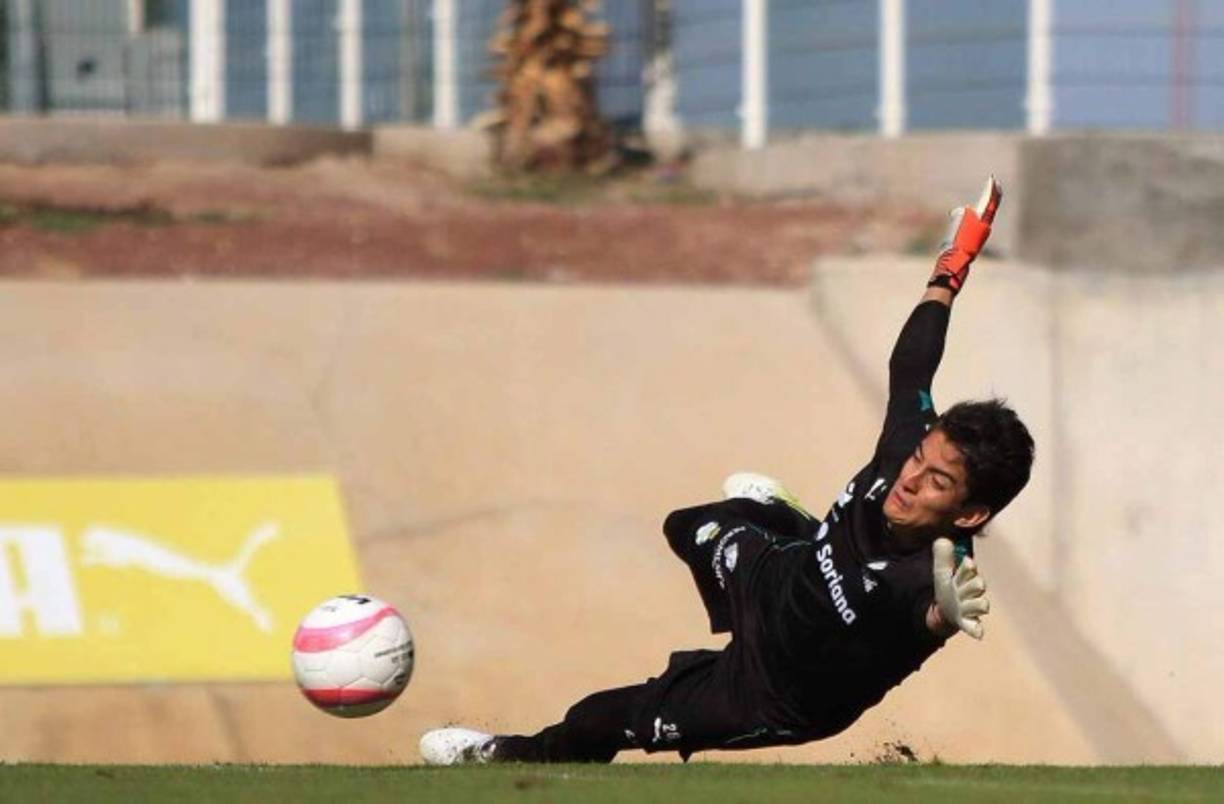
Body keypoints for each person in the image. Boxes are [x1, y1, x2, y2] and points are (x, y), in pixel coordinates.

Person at [419, 176, 1034, 765]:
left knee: (602, 718)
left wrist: (944, 621)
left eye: (938, 483)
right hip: (780, 579)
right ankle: (790, 522)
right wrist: (950, 270)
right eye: (920, 461)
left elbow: (924, 612)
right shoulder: (910, 449)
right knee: (685, 526)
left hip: (770, 690)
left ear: (970, 512)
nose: (910, 478)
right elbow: (912, 368)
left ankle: (504, 754)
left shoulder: (938, 576)